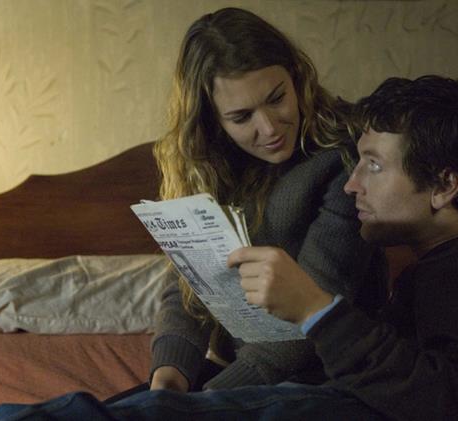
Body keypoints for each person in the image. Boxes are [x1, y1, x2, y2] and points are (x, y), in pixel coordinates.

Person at [0, 75, 458, 420]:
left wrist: (317, 310)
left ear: (443, 185)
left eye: (373, 165)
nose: (353, 184)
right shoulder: (443, 266)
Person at [140, 7, 388, 394]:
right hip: (230, 374)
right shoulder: (207, 166)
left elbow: (311, 316)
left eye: (277, 98)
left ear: (297, 77)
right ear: (212, 122)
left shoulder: (343, 159)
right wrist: (168, 377)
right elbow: (190, 289)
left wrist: (208, 401)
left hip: (319, 381)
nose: (269, 128)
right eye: (242, 117)